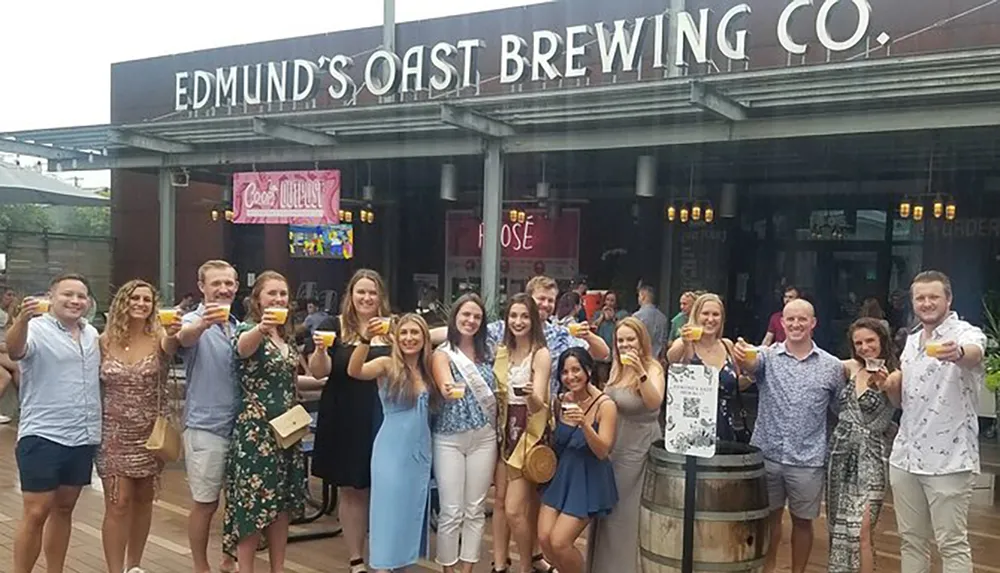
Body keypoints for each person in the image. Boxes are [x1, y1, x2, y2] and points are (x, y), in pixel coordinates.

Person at [733, 298, 843, 573]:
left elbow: (840, 407)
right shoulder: (768, 357)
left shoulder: (831, 366)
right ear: (781, 324)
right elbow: (750, 364)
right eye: (790, 319)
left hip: (807, 459)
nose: (796, 324)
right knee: (769, 518)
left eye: (802, 319)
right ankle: (767, 569)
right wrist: (741, 352)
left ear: (813, 323)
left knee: (803, 522)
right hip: (768, 453)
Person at [889, 270, 985, 573]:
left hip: (949, 461)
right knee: (911, 541)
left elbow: (974, 354)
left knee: (952, 544)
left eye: (934, 297)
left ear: (949, 299)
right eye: (920, 297)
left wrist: (957, 354)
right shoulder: (912, 340)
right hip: (905, 457)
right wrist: (891, 386)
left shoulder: (966, 334)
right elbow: (903, 402)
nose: (927, 303)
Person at [8, 274, 100, 573]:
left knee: (64, 509)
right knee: (36, 512)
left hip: (82, 436)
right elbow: (14, 350)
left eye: (81, 296)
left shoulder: (92, 335)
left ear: (88, 302)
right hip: (43, 435)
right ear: (51, 296)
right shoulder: (36, 328)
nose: (75, 301)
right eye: (67, 295)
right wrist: (21, 320)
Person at [307, 269, 393, 573]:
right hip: (345, 413)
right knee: (351, 488)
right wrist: (319, 349)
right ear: (351, 295)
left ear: (380, 296)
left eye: (372, 292)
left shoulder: (392, 329)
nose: (367, 298)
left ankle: (384, 554)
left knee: (384, 487)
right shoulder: (335, 326)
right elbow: (319, 372)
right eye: (361, 292)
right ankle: (356, 557)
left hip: (384, 415)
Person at [224, 271, 306, 572]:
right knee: (253, 506)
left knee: (281, 505)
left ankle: (278, 568)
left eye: (283, 294)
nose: (278, 299)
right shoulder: (248, 329)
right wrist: (262, 326)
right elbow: (242, 348)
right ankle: (244, 568)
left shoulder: (286, 335)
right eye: (272, 293)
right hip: (256, 433)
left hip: (287, 429)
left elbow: (293, 379)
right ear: (257, 298)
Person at [97, 280, 181, 573]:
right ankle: (114, 568)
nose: (141, 303)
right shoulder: (104, 340)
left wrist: (173, 332)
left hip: (150, 434)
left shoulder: (160, 336)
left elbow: (172, 346)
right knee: (118, 502)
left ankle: (135, 565)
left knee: (144, 501)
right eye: (135, 297)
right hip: (113, 432)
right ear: (123, 301)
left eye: (147, 299)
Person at [347, 313, 438, 573]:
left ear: (424, 338)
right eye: (404, 333)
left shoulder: (427, 368)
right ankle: (382, 566)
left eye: (415, 333)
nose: (409, 338)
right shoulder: (387, 365)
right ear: (396, 339)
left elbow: (447, 333)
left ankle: (403, 564)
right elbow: (355, 370)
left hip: (419, 449)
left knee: (410, 510)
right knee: (387, 510)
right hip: (392, 448)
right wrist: (366, 337)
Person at [175, 260, 240, 573]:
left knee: (238, 501)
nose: (223, 289)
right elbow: (182, 340)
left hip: (238, 427)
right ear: (202, 287)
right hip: (206, 427)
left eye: (228, 283)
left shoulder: (238, 327)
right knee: (206, 503)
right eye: (216, 284)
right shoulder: (191, 320)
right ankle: (201, 566)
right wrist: (203, 324)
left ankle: (229, 559)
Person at [586, 317, 665, 573]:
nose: (625, 345)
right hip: (613, 446)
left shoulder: (653, 368)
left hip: (639, 450)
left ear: (642, 341)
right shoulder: (616, 368)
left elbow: (655, 403)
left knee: (627, 515)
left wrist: (640, 371)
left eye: (630, 339)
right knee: (608, 511)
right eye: (620, 340)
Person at [429, 294, 498, 573]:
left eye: (476, 317)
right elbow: (444, 381)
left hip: (484, 436)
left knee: (475, 509)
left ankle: (467, 569)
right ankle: (448, 568)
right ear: (455, 318)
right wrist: (448, 389)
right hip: (449, 437)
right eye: (465, 315)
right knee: (451, 511)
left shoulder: (490, 352)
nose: (470, 321)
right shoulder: (442, 353)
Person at [826, 318, 898, 573]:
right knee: (839, 528)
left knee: (862, 530)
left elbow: (896, 397)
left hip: (872, 456)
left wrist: (884, 383)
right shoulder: (849, 368)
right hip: (839, 453)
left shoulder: (895, 373)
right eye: (859, 343)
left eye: (870, 341)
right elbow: (817, 360)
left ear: (882, 341)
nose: (865, 347)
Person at [538, 347, 618, 573]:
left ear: (588, 371)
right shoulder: (560, 400)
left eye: (576, 370)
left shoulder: (605, 405)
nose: (570, 377)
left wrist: (584, 424)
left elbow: (603, 450)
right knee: (544, 538)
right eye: (565, 372)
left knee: (560, 542)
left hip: (589, 477)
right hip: (562, 475)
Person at [492, 294, 552, 573]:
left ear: (534, 320)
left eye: (524, 316)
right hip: (502, 429)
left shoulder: (540, 354)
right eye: (513, 316)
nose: (518, 322)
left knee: (516, 510)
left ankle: (526, 566)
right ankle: (499, 563)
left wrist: (531, 396)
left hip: (529, 430)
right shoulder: (502, 350)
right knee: (501, 502)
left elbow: (540, 400)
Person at [666, 293, 753, 442]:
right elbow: (671, 359)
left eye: (716, 314)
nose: (711, 319)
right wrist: (685, 343)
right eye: (705, 313)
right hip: (691, 430)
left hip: (725, 428)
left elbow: (736, 384)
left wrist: (753, 375)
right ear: (696, 316)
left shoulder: (727, 346)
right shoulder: (684, 343)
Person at [633, 284, 668, 359]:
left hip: (641, 357)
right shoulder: (663, 318)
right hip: (657, 358)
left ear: (643, 296)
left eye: (639, 296)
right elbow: (663, 342)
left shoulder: (636, 317)